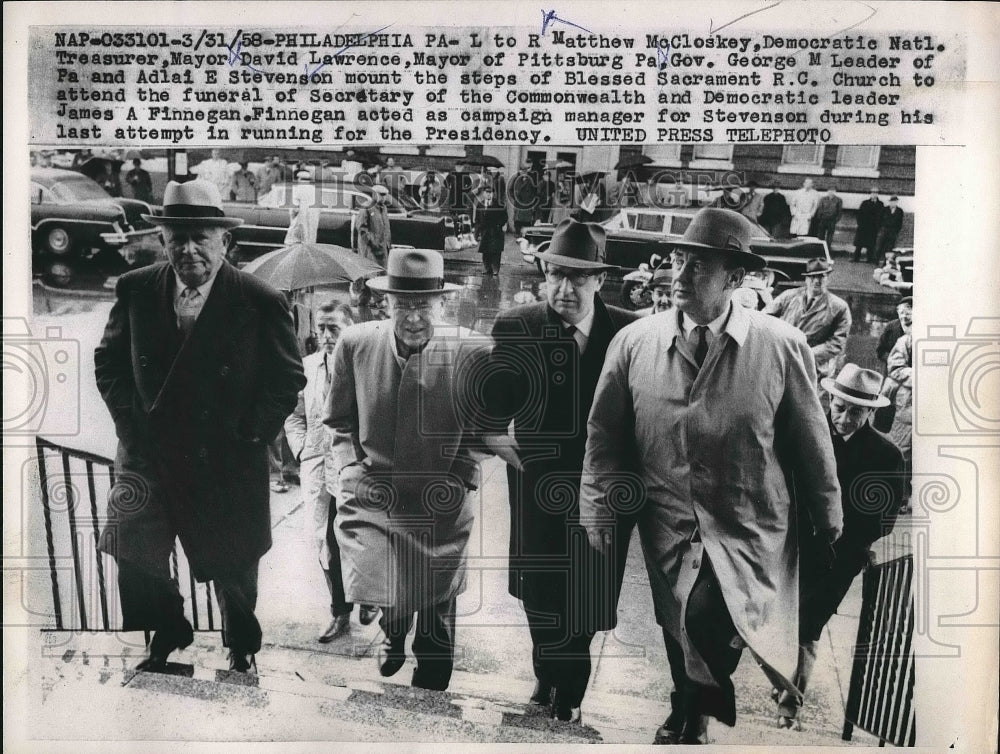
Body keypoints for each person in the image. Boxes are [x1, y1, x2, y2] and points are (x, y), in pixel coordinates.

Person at [580, 207, 842, 744]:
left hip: (749, 520)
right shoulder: (634, 344)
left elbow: (811, 440)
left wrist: (828, 516)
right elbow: (605, 435)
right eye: (680, 260)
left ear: (735, 278)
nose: (679, 276)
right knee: (675, 624)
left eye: (699, 266)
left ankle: (699, 707)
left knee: (707, 617)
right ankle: (690, 707)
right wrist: (598, 507)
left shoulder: (781, 346)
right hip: (669, 519)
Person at [93, 180, 306, 674]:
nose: (188, 249)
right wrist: (131, 426)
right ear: (163, 240)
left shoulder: (258, 298)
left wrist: (250, 433)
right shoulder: (137, 288)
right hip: (149, 452)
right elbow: (109, 364)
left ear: (224, 242)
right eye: (177, 238)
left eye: (201, 238)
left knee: (233, 569)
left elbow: (287, 377)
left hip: (225, 456)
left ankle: (241, 646)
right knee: (131, 546)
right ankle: (168, 625)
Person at [482, 218, 639, 723]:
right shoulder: (517, 326)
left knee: (586, 603)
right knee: (540, 597)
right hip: (537, 493)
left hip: (604, 497)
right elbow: (489, 419)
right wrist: (522, 460)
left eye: (578, 277)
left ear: (600, 279)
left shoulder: (630, 333)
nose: (564, 289)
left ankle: (566, 696)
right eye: (555, 275)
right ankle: (548, 675)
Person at [324, 249, 489, 692]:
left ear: (441, 304)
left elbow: (481, 432)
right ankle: (394, 637)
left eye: (423, 306)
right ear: (386, 304)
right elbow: (337, 421)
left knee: (437, 603)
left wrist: (460, 477)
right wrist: (349, 469)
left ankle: (432, 684)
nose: (413, 317)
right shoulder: (355, 344)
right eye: (403, 305)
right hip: (376, 493)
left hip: (441, 499)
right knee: (386, 589)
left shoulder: (472, 350)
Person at [774, 364, 905, 728]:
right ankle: (782, 681)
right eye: (839, 407)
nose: (844, 417)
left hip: (839, 557)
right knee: (771, 617)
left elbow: (883, 519)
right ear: (828, 399)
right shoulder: (805, 435)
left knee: (809, 627)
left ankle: (789, 705)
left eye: (855, 411)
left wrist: (842, 539)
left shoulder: (886, 455)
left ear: (871, 412)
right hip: (789, 544)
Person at [285, 303, 381, 642]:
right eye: (321, 329)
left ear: (350, 328)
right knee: (323, 541)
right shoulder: (307, 368)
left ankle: (369, 597)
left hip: (352, 469)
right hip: (316, 467)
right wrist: (301, 450)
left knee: (358, 537)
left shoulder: (364, 367)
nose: (326, 337)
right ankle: (339, 613)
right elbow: (293, 414)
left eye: (334, 329)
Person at [766, 258, 853, 385]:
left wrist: (806, 354)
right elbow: (765, 319)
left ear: (827, 278)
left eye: (821, 277)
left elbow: (838, 343)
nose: (817, 281)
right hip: (781, 362)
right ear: (806, 279)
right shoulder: (788, 296)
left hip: (814, 368)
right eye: (812, 277)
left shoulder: (839, 307)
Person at [886, 331, 914, 514]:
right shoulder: (907, 340)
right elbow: (895, 368)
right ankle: (899, 498)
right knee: (900, 450)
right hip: (909, 402)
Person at [355, 184, 392, 267]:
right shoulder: (366, 207)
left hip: (382, 247)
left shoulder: (384, 208)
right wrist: (373, 242)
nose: (383, 198)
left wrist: (388, 243)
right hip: (369, 249)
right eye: (381, 195)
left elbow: (386, 227)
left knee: (382, 272)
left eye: (385, 195)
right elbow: (361, 228)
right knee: (370, 271)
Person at [476, 185, 507, 277]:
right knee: (485, 250)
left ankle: (495, 269)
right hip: (485, 231)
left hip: (495, 231)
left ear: (493, 194)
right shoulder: (480, 204)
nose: (489, 194)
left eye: (491, 192)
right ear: (484, 194)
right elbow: (477, 219)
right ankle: (487, 268)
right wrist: (477, 232)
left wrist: (499, 225)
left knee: (495, 251)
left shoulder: (499, 204)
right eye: (487, 192)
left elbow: (505, 217)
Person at [876, 296, 913, 368]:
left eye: (908, 314)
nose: (904, 316)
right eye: (901, 313)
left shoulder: (922, 329)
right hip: (892, 373)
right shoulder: (890, 327)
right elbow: (880, 351)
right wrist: (892, 360)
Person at [853, 187, 884, 263]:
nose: (874, 194)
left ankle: (869, 259)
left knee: (871, 244)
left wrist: (878, 225)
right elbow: (859, 214)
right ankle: (856, 258)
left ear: (877, 194)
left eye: (876, 193)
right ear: (870, 194)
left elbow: (881, 216)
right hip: (863, 226)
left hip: (873, 227)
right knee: (859, 244)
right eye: (873, 193)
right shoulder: (865, 203)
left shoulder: (880, 204)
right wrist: (860, 223)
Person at [510, 163, 539, 237]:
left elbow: (535, 191)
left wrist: (532, 201)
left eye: (525, 171)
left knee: (527, 220)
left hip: (527, 203)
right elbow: (511, 190)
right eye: (522, 171)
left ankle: (526, 234)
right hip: (518, 203)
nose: (524, 172)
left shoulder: (532, 180)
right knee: (517, 220)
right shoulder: (516, 179)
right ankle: (517, 233)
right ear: (520, 171)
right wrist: (515, 198)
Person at [812, 186, 843, 251]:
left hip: (832, 220)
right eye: (829, 190)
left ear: (835, 192)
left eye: (833, 190)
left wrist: (836, 220)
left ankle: (828, 250)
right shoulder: (823, 199)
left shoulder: (838, 200)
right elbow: (820, 209)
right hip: (823, 220)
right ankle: (819, 249)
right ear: (827, 191)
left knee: (830, 236)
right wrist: (820, 218)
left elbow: (839, 211)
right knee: (820, 235)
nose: (831, 192)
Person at [876, 196, 905, 261]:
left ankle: (887, 261)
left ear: (896, 202)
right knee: (879, 245)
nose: (893, 203)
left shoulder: (899, 211)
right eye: (892, 202)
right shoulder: (884, 209)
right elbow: (879, 219)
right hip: (883, 229)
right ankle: (876, 260)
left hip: (893, 231)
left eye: (895, 202)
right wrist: (880, 229)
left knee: (890, 247)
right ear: (889, 202)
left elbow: (900, 222)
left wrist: (896, 231)